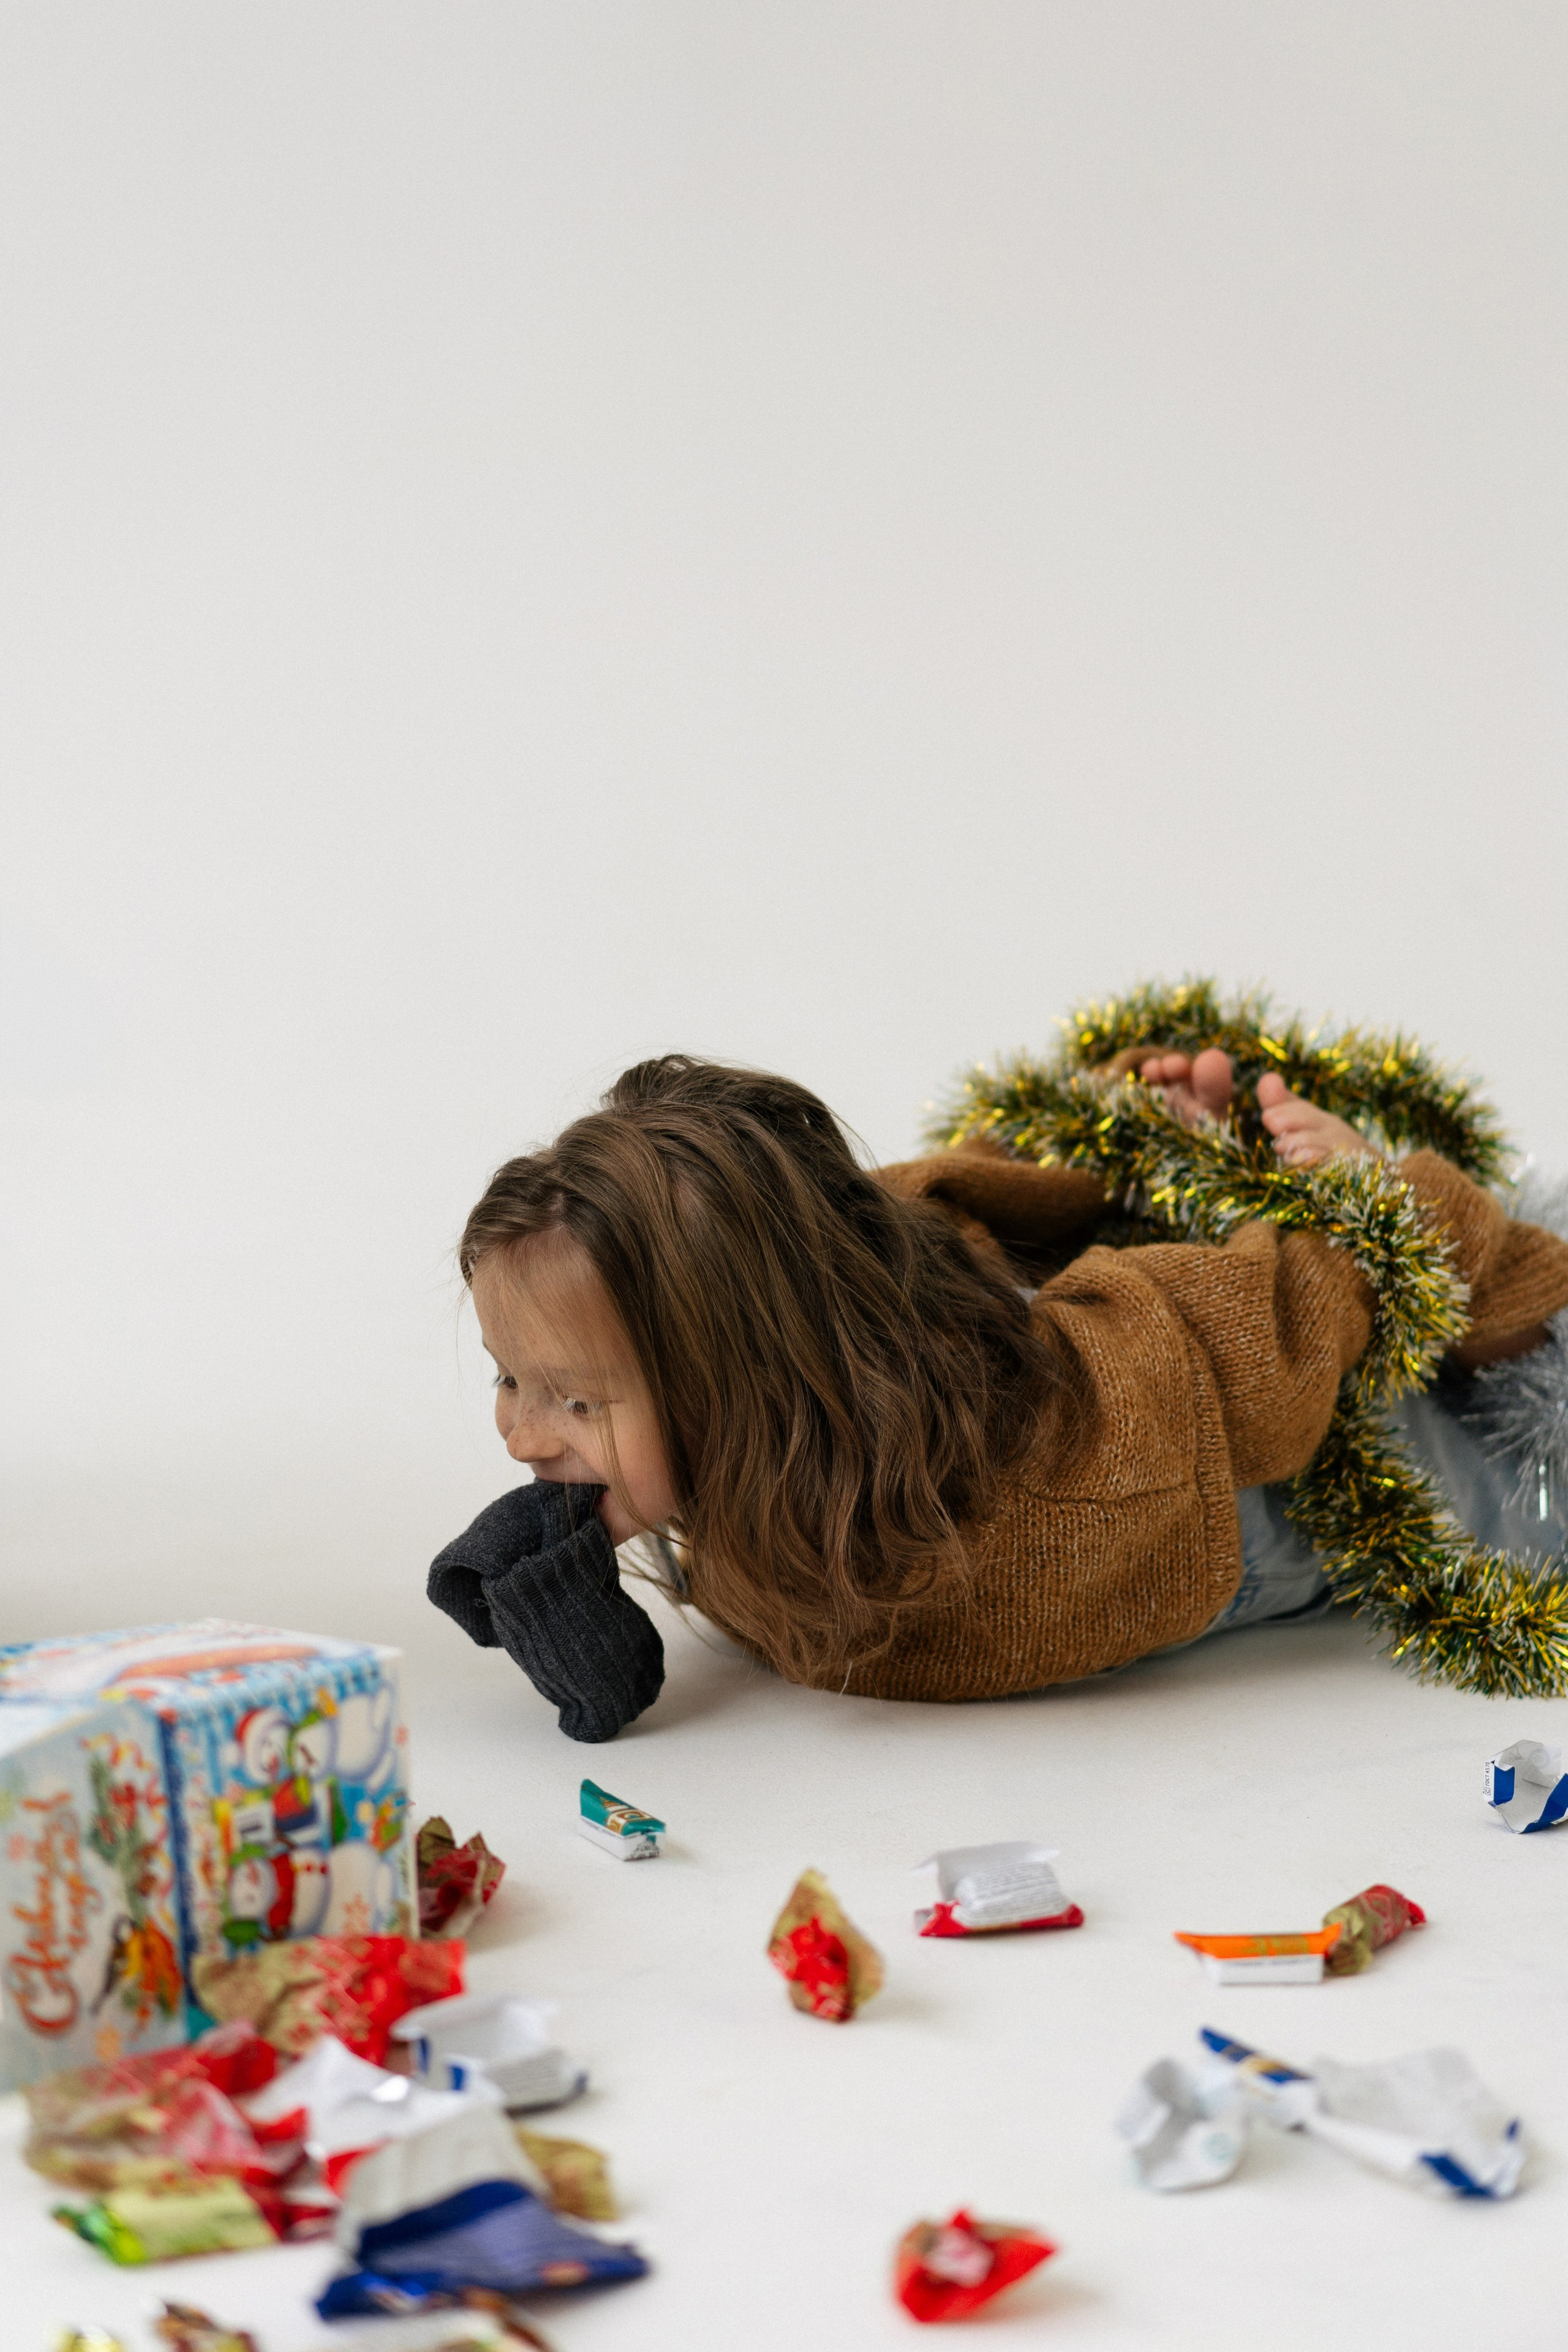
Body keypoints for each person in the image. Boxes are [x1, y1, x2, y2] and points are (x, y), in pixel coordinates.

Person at [426, 1050, 1568, 1740]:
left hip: (1346, 1472)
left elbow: (1256, 1346)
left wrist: (1384, 1209)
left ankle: (1462, 1265)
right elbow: (869, 1230)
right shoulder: (791, 1440)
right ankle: (1213, 1179)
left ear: (753, 1398)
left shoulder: (1052, 1483)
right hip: (1176, 1416)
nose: (519, 1433)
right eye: (511, 1378)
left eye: (572, 1402)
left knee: (1520, 1342)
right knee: (982, 1265)